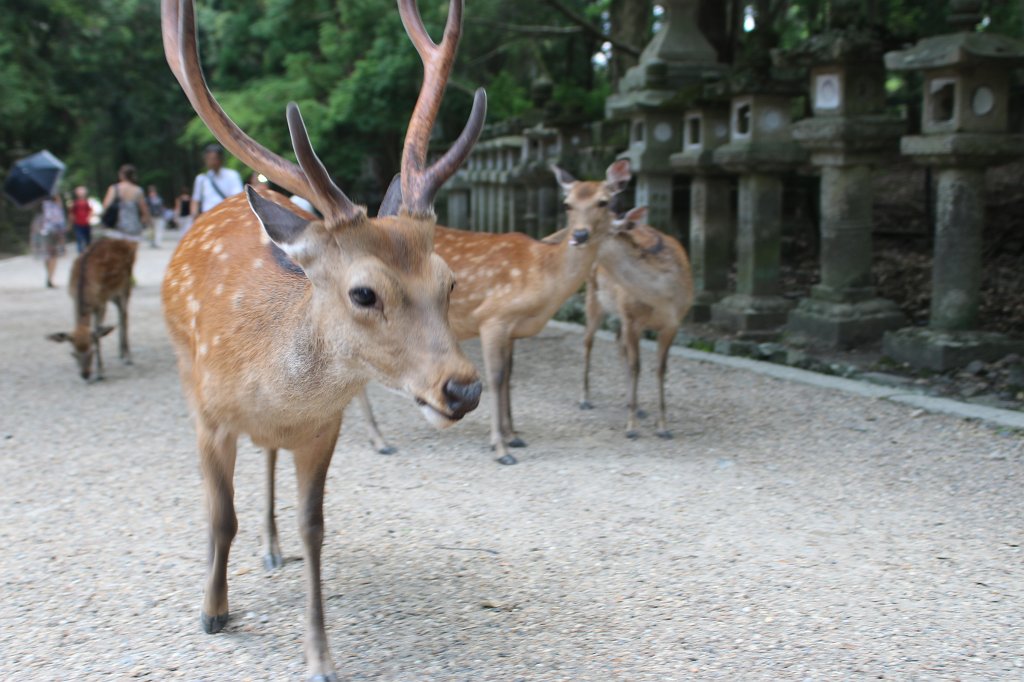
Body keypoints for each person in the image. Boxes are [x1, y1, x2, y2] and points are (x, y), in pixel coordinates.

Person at [191, 144, 243, 218]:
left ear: (221, 159)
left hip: (227, 215)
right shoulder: (201, 179)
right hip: (207, 216)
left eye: (214, 158)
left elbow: (237, 197)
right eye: (208, 159)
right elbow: (196, 200)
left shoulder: (232, 175)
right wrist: (194, 216)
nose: (211, 162)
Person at [102, 164, 150, 240]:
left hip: (117, 225)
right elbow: (144, 208)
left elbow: (106, 205)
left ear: (122, 175)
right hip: (133, 225)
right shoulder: (138, 190)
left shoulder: (114, 188)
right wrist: (147, 221)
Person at [34, 195, 67, 288]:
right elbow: (59, 217)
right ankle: (50, 277)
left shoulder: (38, 200)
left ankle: (49, 276)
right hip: (53, 229)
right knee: (53, 254)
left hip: (41, 228)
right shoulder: (54, 200)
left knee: (46, 254)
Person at [70, 186, 92, 253]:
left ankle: (88, 252)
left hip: (86, 223)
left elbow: (90, 211)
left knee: (87, 239)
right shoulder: (74, 203)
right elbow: (71, 213)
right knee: (79, 239)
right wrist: (72, 221)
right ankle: (81, 253)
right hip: (78, 223)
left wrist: (89, 218)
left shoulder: (87, 202)